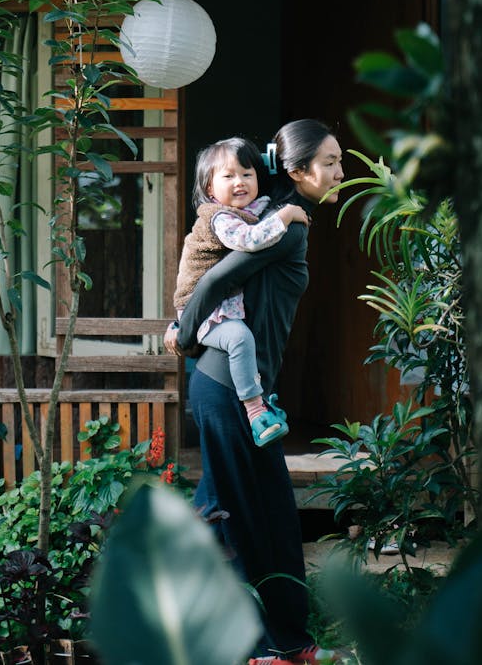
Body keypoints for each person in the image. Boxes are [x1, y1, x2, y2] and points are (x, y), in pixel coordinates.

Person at [164, 119, 344, 665]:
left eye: (340, 160)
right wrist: (185, 333)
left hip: (248, 387)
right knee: (239, 513)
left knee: (265, 512)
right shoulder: (282, 224)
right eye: (331, 162)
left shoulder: (275, 215)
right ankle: (256, 645)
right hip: (222, 384)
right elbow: (215, 281)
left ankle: (289, 642)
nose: (341, 171)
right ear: (297, 170)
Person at [173, 136, 309, 447]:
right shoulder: (218, 217)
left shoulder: (249, 208)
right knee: (238, 337)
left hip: (220, 305)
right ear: (210, 189)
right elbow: (251, 240)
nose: (240, 182)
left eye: (248, 174)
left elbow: (265, 212)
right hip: (201, 307)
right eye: (228, 176)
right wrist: (286, 215)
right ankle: (255, 410)